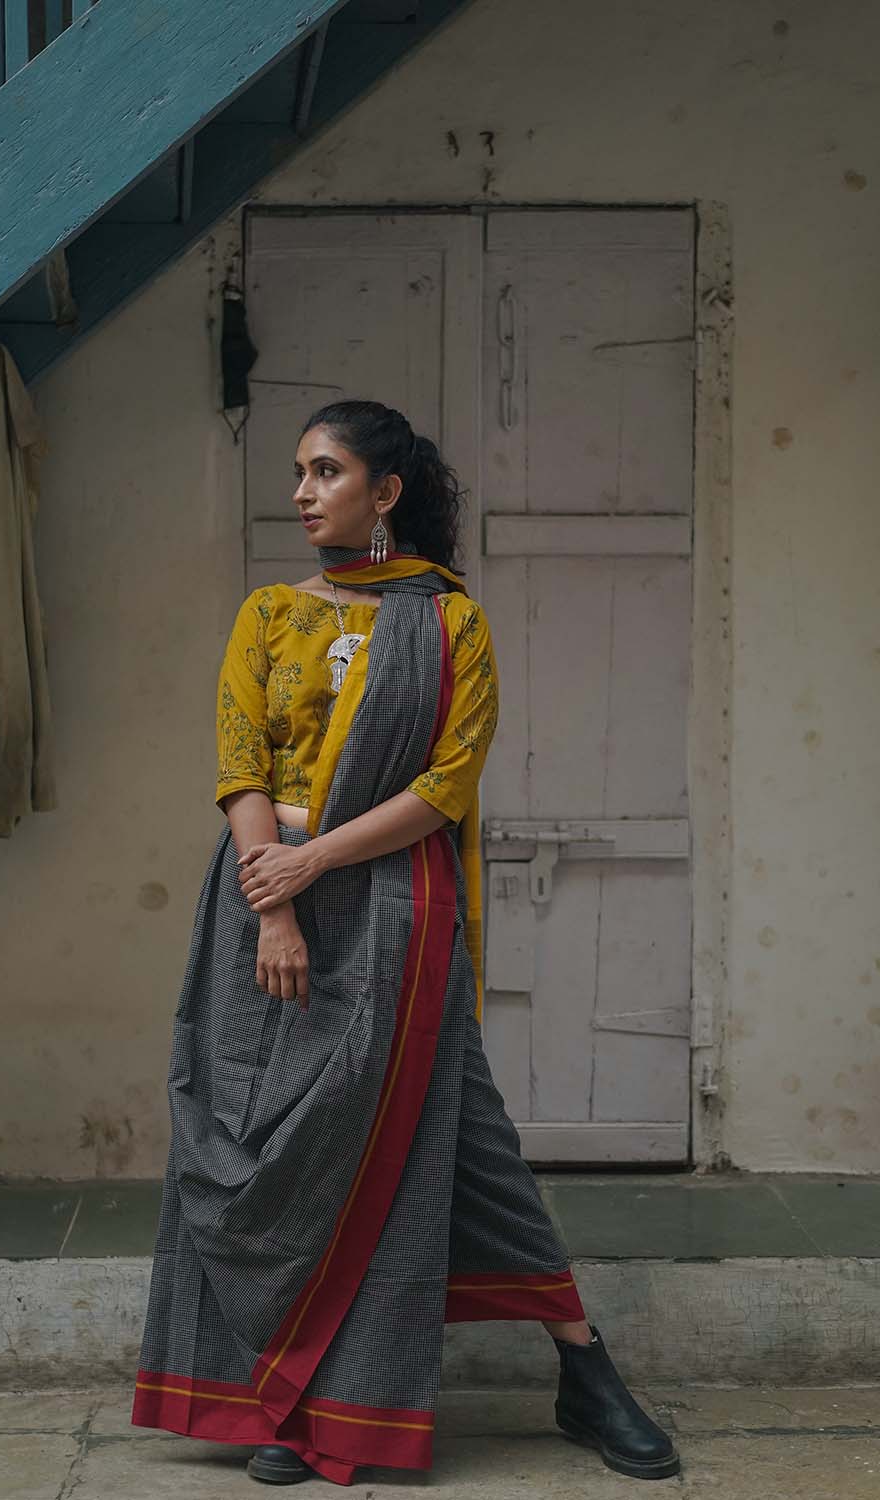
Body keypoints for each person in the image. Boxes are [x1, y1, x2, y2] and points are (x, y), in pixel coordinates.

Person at [131, 400, 680, 1485]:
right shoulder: (265, 616)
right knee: (264, 1142)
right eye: (296, 471)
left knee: (457, 1132)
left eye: (325, 472)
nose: (301, 492)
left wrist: (317, 863)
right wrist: (275, 899)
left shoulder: (448, 623)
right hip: (259, 905)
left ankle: (586, 1367)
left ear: (383, 494)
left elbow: (444, 785)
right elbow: (239, 764)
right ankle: (295, 1398)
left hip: (394, 908)